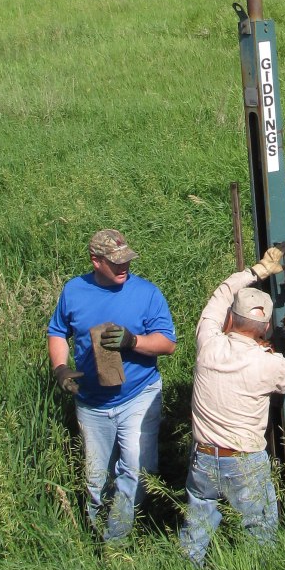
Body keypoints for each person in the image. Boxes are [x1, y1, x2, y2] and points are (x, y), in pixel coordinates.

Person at [180, 246, 285, 566]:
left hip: (204, 456)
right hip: (244, 461)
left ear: (229, 319)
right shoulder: (267, 365)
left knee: (196, 528)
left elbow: (222, 293)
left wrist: (258, 272)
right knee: (259, 531)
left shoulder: (207, 344)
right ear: (267, 328)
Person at [48, 228, 176, 541]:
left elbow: (167, 344)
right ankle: (93, 531)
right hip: (92, 402)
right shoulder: (74, 291)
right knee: (95, 479)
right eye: (115, 262)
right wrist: (61, 369)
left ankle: (116, 541)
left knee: (135, 470)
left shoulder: (146, 293)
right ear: (96, 261)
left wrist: (133, 341)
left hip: (139, 396)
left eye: (127, 261)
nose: (124, 268)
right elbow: (57, 332)